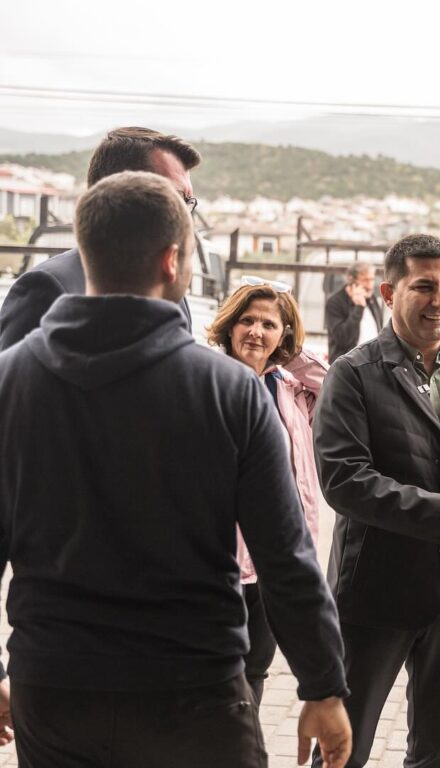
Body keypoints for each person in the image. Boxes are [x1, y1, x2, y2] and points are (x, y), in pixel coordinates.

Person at [0, 171, 352, 768]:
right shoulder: (231, 391)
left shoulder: (10, 381)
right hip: (193, 694)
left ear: (86, 252)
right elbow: (285, 557)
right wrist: (322, 686)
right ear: (172, 259)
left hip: (55, 689)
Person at [313, 233, 440, 768]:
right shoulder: (353, 374)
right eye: (424, 286)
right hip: (374, 598)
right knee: (341, 750)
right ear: (388, 291)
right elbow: (345, 480)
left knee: (437, 753)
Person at [207, 278, 327, 709]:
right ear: (230, 325)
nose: (255, 332)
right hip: (220, 560)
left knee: (255, 670)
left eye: (268, 324)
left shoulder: (291, 391)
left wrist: (288, 353)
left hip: (277, 562)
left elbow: (335, 384)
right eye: (247, 321)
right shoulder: (208, 381)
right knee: (216, 671)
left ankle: (245, 742)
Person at [0, 126, 199, 350]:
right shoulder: (46, 288)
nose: (184, 214)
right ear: (117, 192)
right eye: (175, 197)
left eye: (188, 202)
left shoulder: (172, 288)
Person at [325, 261, 385, 362]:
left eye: (372, 279)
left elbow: (380, 330)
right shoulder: (335, 302)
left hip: (372, 362)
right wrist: (358, 308)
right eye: (365, 280)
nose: (370, 285)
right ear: (352, 280)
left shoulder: (372, 299)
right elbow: (342, 338)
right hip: (348, 364)